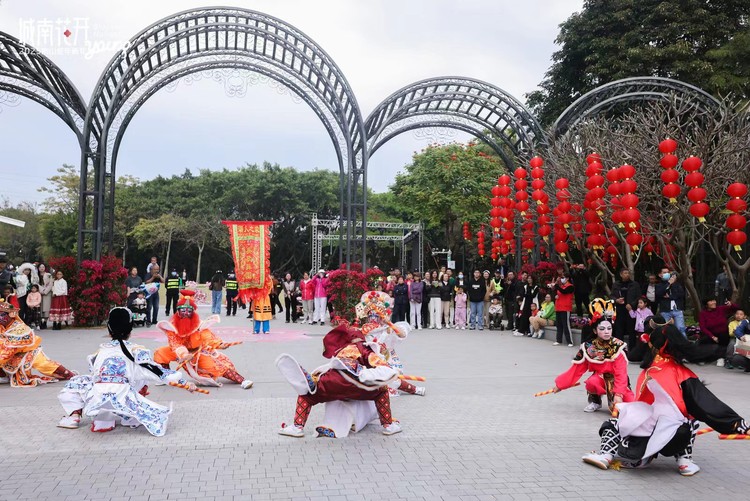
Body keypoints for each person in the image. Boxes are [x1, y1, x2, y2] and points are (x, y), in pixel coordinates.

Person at [581, 321, 750, 476]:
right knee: (689, 419)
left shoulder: (650, 369)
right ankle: (685, 461)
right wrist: (737, 424)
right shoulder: (679, 372)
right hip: (671, 434)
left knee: (616, 420)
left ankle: (605, 455)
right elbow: (704, 402)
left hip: (645, 431)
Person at [56, 306, 197, 434]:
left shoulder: (99, 352)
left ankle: (76, 416)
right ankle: (129, 417)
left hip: (97, 398)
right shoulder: (137, 351)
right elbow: (158, 372)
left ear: (109, 329)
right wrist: (185, 384)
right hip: (123, 397)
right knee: (141, 378)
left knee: (77, 381)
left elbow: (94, 376)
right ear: (130, 330)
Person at [275, 320, 403, 438]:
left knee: (307, 395)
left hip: (332, 381)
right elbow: (382, 366)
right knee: (382, 391)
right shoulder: (365, 349)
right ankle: (388, 426)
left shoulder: (340, 350)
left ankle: (297, 427)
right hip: (358, 385)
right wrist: (385, 373)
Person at [154, 290, 253, 388]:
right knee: (160, 353)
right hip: (180, 353)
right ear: (178, 311)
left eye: (189, 311)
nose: (186, 313)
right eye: (183, 310)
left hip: (197, 352)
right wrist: (184, 355)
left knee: (217, 366)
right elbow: (175, 344)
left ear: (193, 312)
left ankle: (242, 381)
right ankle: (164, 377)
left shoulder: (199, 325)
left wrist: (219, 344)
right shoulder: (172, 327)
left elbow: (207, 337)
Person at [553, 307, 634, 413]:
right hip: (599, 378)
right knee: (592, 381)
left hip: (617, 381)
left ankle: (614, 398)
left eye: (609, 328)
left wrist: (618, 394)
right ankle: (595, 400)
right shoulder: (588, 347)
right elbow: (577, 369)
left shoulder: (618, 346)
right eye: (602, 329)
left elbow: (621, 373)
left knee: (629, 406)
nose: (606, 332)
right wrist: (560, 385)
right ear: (595, 330)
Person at [0, 299, 75, 387]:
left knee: (44, 364)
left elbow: (9, 349)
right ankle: (3, 375)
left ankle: (68, 374)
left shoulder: (19, 328)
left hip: (28, 352)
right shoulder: (2, 327)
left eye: (2, 315)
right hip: (12, 354)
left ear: (10, 315)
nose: (0, 318)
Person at [697, 297, 738, 367]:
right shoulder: (703, 313)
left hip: (722, 333)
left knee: (724, 337)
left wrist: (731, 304)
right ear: (706, 304)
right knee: (703, 339)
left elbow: (735, 308)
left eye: (714, 300)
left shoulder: (721, 309)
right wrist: (712, 336)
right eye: (711, 301)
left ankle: (720, 357)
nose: (714, 302)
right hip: (711, 334)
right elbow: (703, 327)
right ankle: (702, 357)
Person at [610, 268, 641, 347]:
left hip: (631, 310)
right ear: (621, 275)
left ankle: (632, 348)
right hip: (619, 310)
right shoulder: (616, 284)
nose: (627, 275)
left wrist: (632, 305)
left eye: (628, 273)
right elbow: (611, 296)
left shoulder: (635, 284)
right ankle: (619, 348)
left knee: (632, 330)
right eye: (625, 273)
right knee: (619, 330)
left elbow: (638, 297)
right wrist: (616, 300)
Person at [655, 268, 686, 337]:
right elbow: (659, 293)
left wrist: (670, 297)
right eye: (664, 272)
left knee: (681, 329)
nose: (667, 274)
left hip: (677, 309)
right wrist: (669, 283)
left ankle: (684, 345)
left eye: (668, 272)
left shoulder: (676, 284)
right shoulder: (659, 285)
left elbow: (681, 294)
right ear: (660, 275)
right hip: (665, 310)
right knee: (666, 330)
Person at [628, 297, 653, 362]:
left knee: (645, 344)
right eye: (639, 303)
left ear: (645, 304)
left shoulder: (648, 311)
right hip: (639, 330)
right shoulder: (638, 310)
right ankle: (639, 356)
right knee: (639, 344)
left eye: (641, 303)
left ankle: (646, 356)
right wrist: (630, 310)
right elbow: (633, 316)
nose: (639, 304)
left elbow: (652, 318)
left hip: (645, 330)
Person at [553, 272, 574, 346]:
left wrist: (556, 286)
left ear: (567, 278)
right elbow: (559, 293)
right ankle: (558, 340)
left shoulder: (570, 286)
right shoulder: (560, 286)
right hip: (558, 307)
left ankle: (570, 341)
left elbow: (565, 292)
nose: (562, 279)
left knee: (566, 325)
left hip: (565, 308)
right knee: (559, 325)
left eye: (563, 277)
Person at [37, 263, 53, 330]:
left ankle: (45, 322)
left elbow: (50, 284)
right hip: (39, 293)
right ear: (38, 268)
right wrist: (41, 290)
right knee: (39, 308)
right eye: (40, 267)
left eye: (43, 267)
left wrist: (45, 291)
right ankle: (40, 322)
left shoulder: (49, 275)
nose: (42, 268)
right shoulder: (36, 276)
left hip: (47, 293)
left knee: (46, 308)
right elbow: (35, 284)